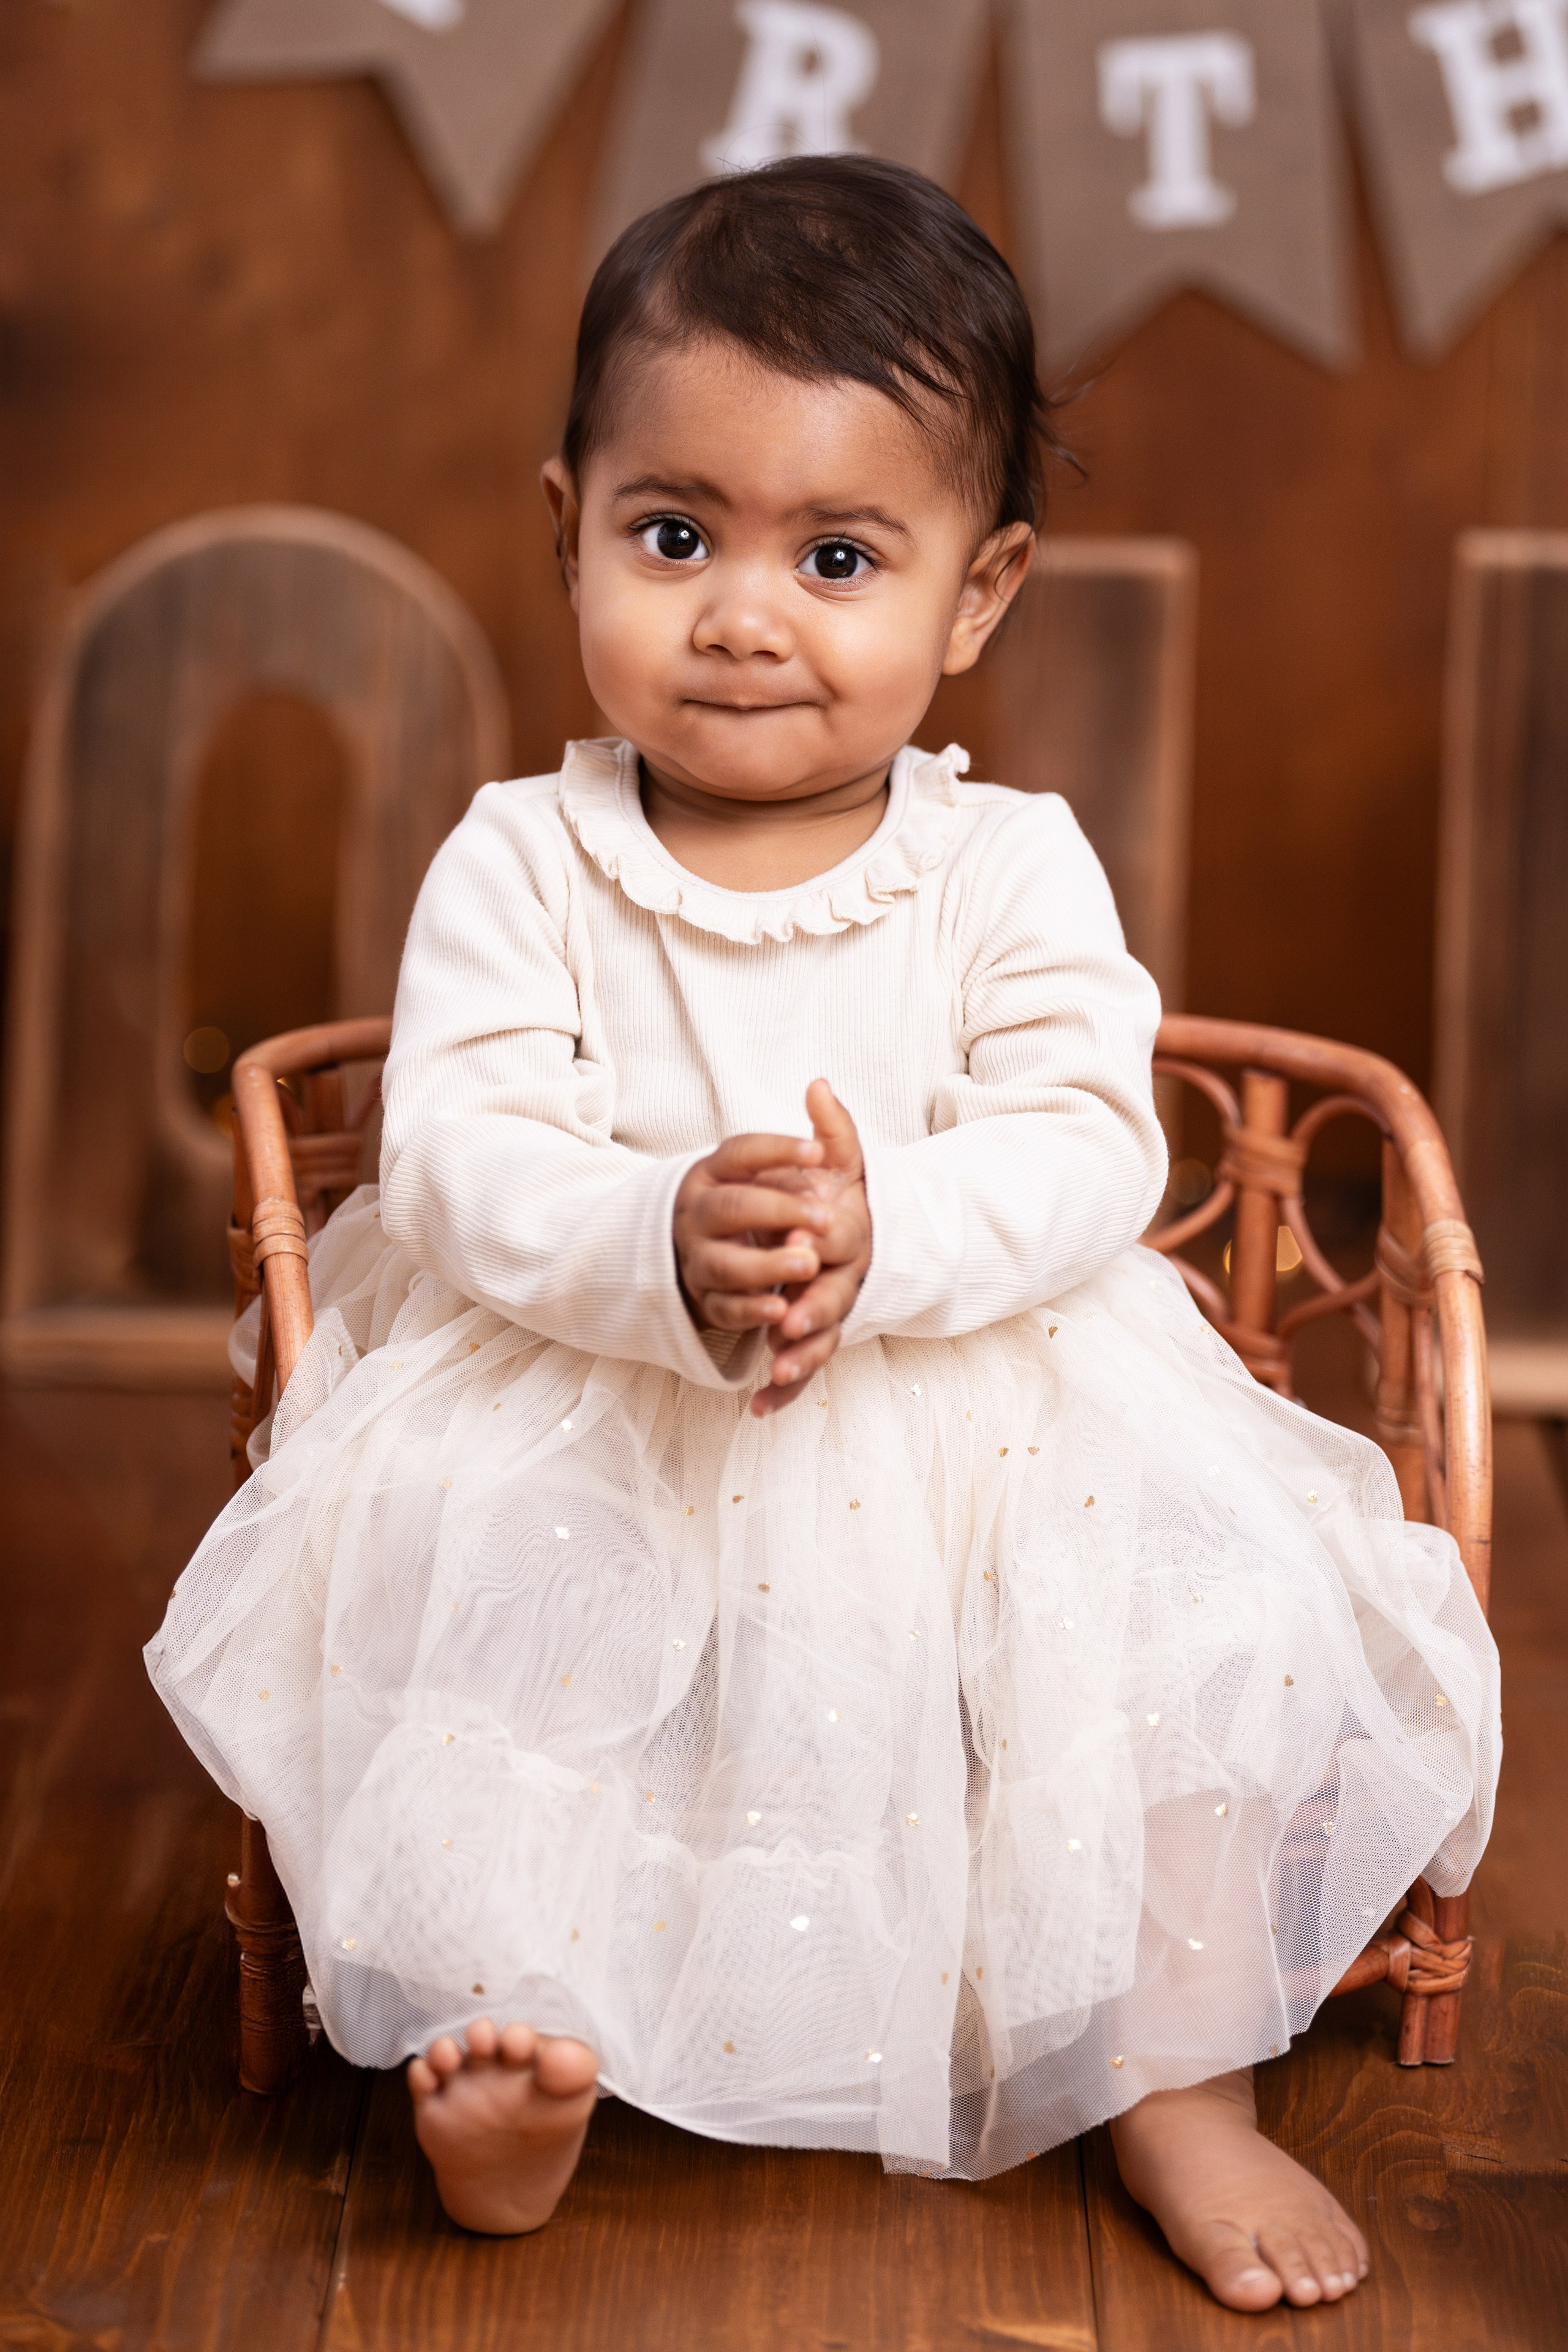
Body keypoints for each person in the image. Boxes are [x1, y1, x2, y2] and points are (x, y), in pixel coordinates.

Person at [146, 156, 1498, 2312]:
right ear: (566, 528)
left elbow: (1091, 1141)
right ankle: (517, 2028)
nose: (745, 615)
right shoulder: (522, 861)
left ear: (978, 595)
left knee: (1184, 1628)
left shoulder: (1008, 866)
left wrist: (898, 1229)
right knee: (490, 1625)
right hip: (600, 1393)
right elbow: (462, 1152)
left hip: (980, 1393)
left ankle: (1178, 2075)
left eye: (840, 556)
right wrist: (657, 1232)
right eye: (673, 537)